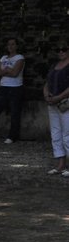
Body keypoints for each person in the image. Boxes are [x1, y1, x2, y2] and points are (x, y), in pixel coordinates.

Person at [42, 41, 69, 176]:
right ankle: (61, 164)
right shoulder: (54, 66)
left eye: (63, 49)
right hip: (53, 103)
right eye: (58, 49)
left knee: (67, 134)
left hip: (65, 103)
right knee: (56, 134)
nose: (60, 52)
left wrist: (58, 97)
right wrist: (47, 95)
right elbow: (47, 83)